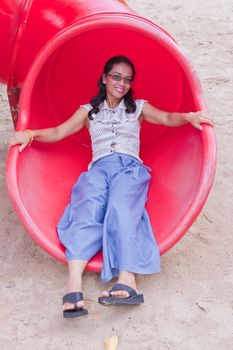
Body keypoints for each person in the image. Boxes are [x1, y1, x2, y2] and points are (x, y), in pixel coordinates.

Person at [8, 55, 214, 318]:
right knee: (86, 209)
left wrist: (189, 116)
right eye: (116, 76)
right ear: (104, 78)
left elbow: (166, 118)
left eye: (127, 79)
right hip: (99, 169)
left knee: (121, 207)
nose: (122, 83)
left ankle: (127, 280)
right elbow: (59, 132)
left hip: (129, 169)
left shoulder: (138, 108)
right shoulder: (87, 112)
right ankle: (74, 287)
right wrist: (31, 134)